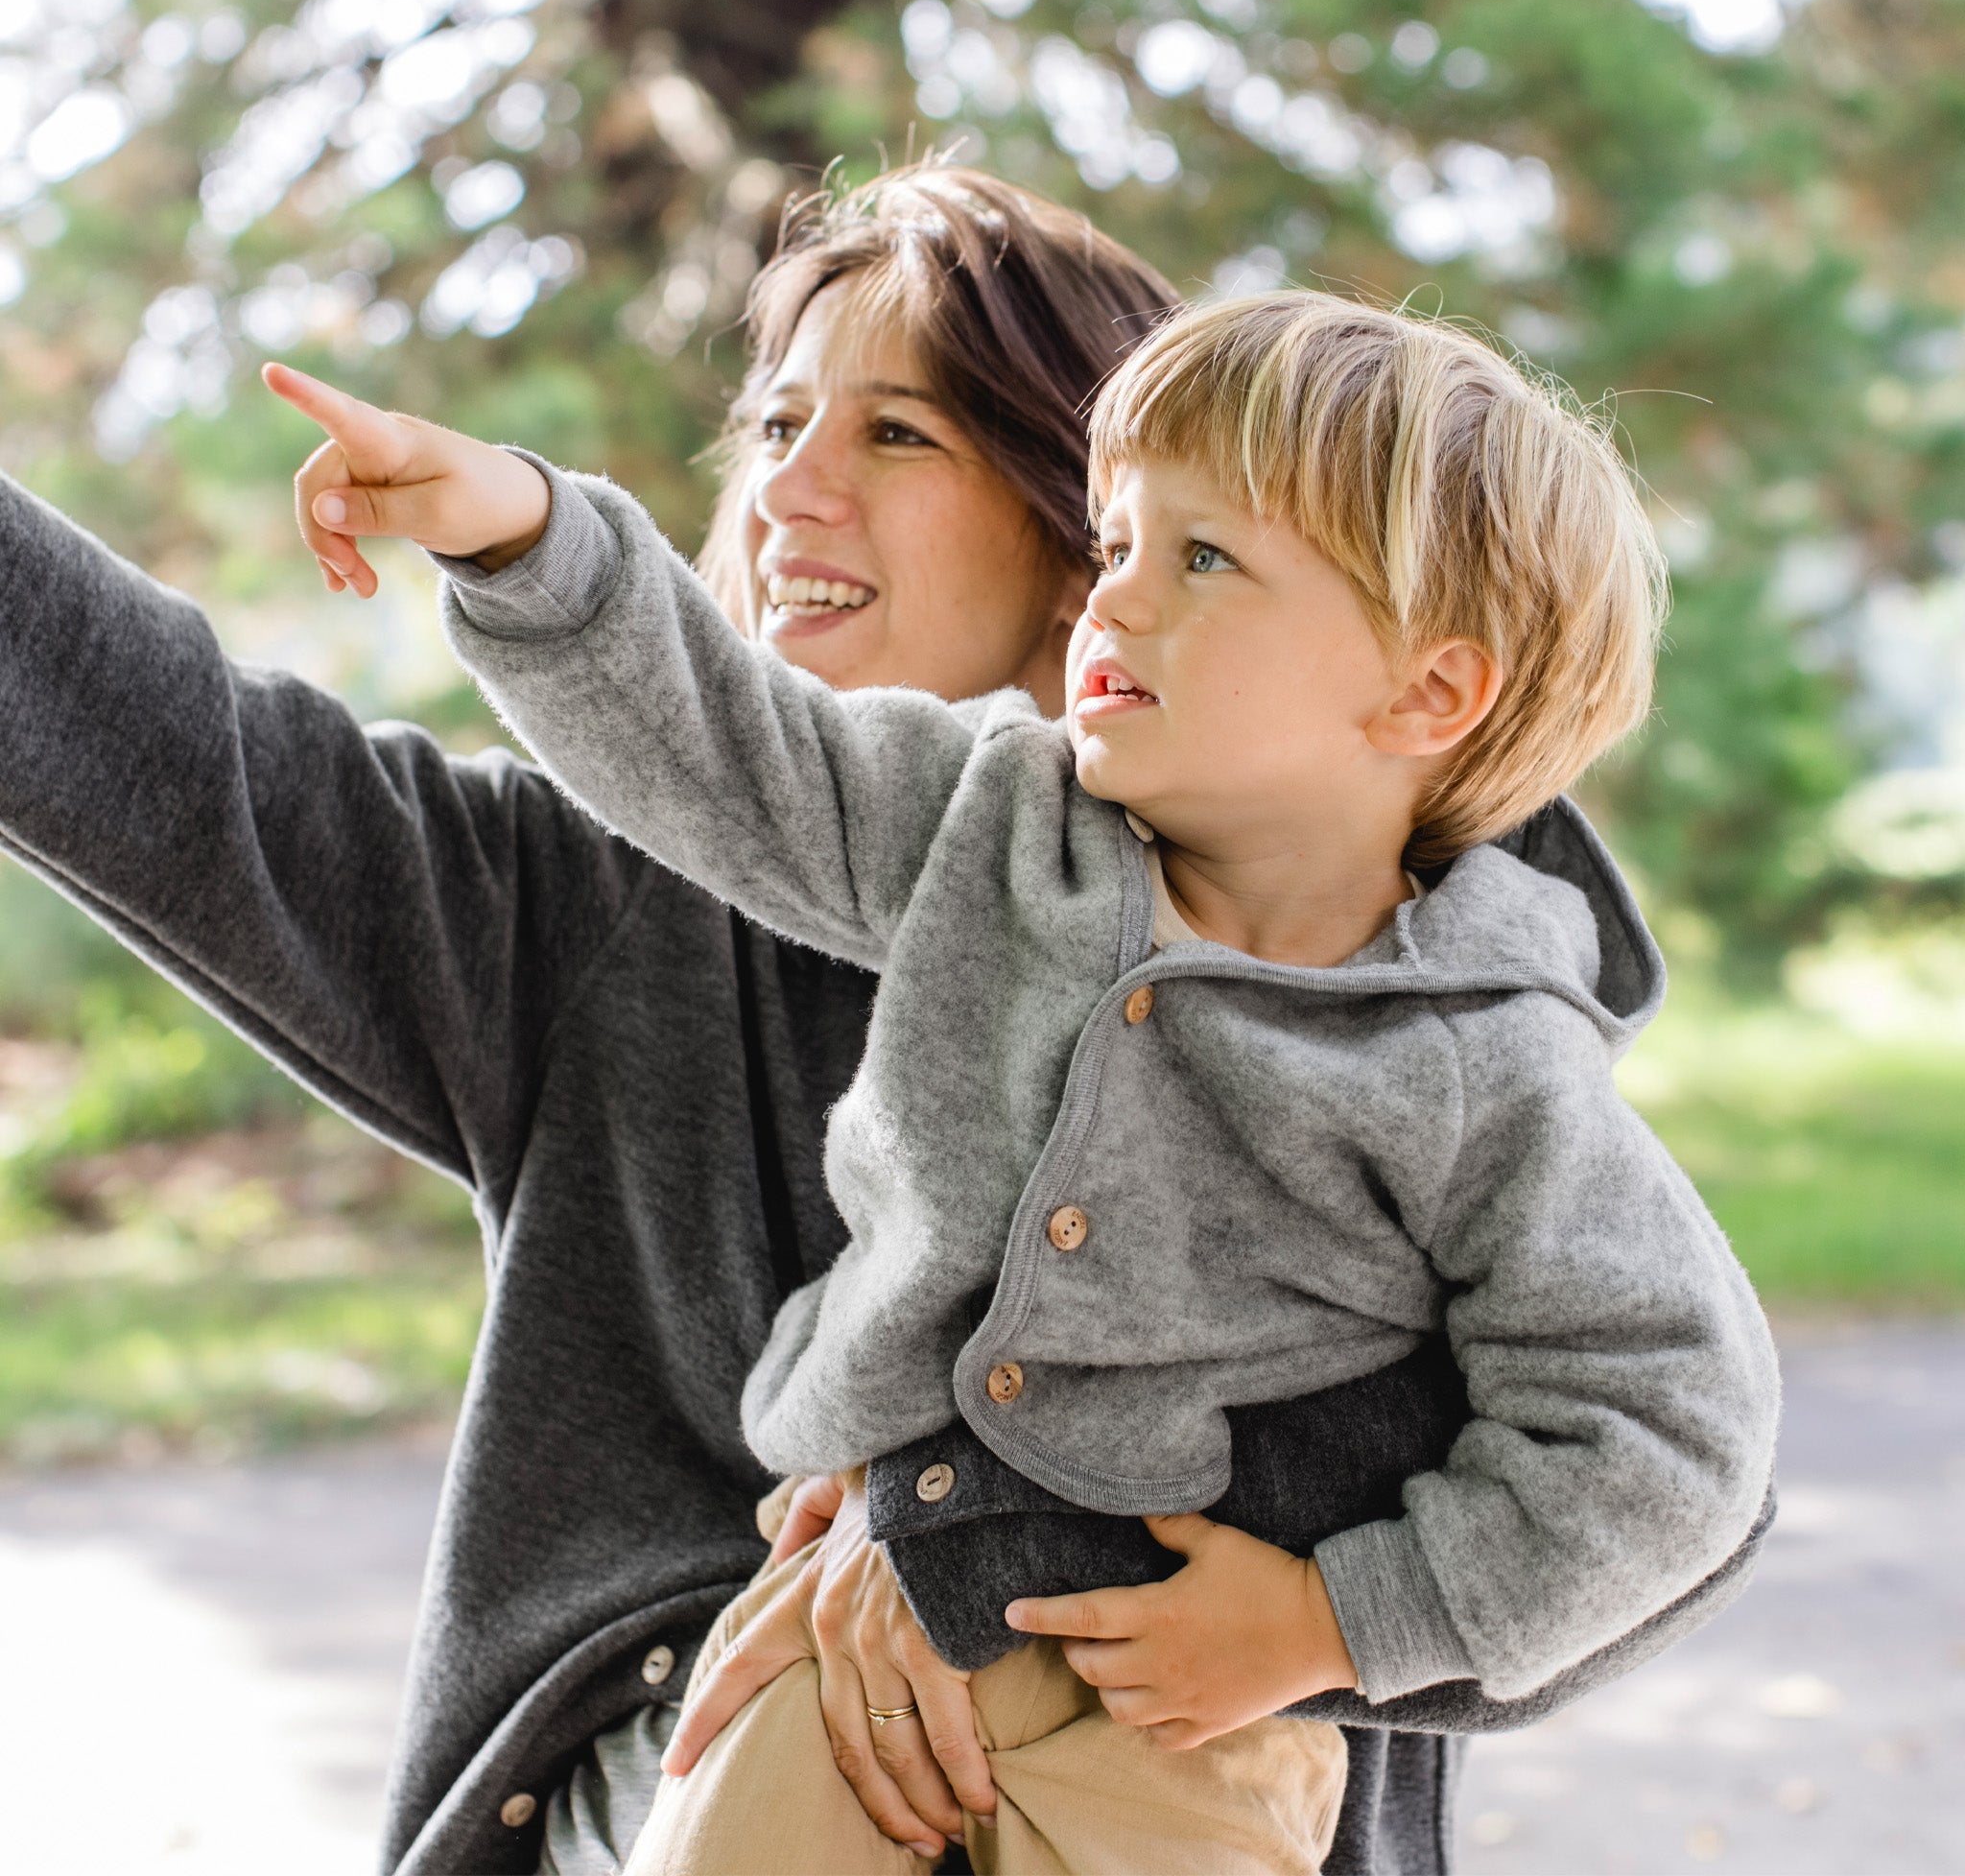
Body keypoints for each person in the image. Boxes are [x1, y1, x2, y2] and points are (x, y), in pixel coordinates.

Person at [270, 284, 1780, 1874]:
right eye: (1121, 538)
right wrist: (519, 539)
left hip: (1187, 1716)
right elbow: (732, 752)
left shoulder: (1488, 1058)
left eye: (1204, 558)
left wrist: (1341, 1618)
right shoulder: (991, 827)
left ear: (1429, 695)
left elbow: (1667, 1431)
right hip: (840, 1638)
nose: (1113, 597)